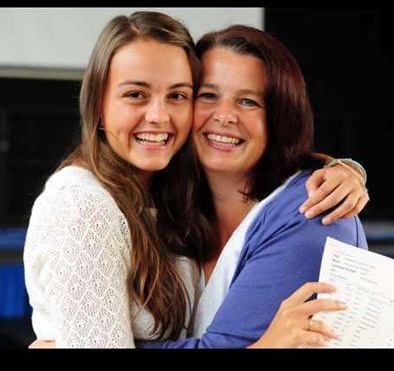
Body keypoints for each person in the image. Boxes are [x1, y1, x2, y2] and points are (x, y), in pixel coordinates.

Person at [24, 12, 368, 349]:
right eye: (136, 95)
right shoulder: (83, 206)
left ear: (281, 116)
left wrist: (342, 167)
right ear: (98, 104)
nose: (158, 116)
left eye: (177, 95)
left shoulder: (169, 194)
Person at [139, 24, 369, 348]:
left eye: (248, 102)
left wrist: (85, 340)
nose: (225, 116)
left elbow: (223, 347)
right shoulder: (170, 198)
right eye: (208, 95)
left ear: (280, 117)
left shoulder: (314, 212)